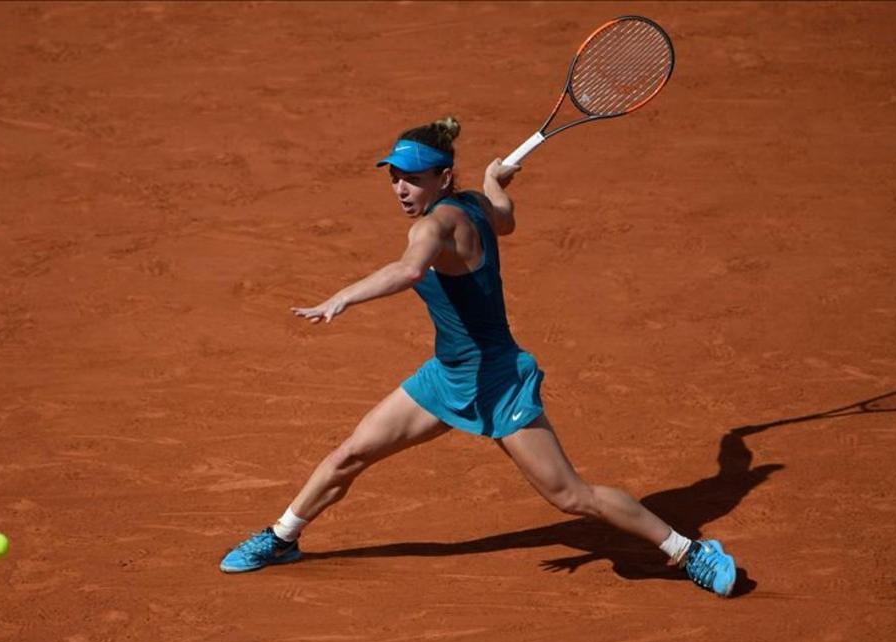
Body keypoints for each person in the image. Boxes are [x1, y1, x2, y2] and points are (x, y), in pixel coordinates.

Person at [219, 116, 738, 597]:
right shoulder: (474, 204)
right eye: (395, 177)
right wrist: (494, 181)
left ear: (442, 178)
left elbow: (408, 272)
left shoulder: (431, 228)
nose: (401, 188)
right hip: (447, 377)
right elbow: (505, 219)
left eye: (414, 179)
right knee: (351, 454)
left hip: (496, 380)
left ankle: (690, 552)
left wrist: (343, 297)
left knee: (572, 498)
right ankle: (282, 537)